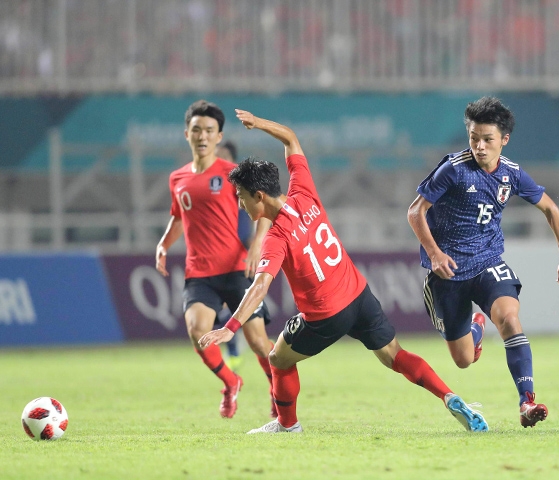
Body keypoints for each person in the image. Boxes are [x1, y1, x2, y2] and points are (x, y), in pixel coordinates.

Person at [199, 109, 489, 434]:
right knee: (395, 355)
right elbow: (291, 138)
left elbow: (261, 285)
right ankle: (448, 396)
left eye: (241, 197)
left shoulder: (276, 237)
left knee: (278, 359)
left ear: (259, 196)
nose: (240, 204)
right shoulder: (303, 192)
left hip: (325, 315)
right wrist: (259, 123)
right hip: (359, 295)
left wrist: (231, 326)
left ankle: (288, 424)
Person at [406, 96, 559, 428]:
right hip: (448, 273)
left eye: (488, 140)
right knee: (464, 360)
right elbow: (415, 211)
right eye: (474, 138)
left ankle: (527, 403)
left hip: (486, 262)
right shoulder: (453, 170)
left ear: (504, 140)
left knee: (510, 320)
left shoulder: (511, 174)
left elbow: (551, 209)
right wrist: (436, 254)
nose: (480, 147)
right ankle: (475, 330)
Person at [156, 100, 276, 419]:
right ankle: (231, 381)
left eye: (209, 130)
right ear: (187, 134)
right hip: (200, 274)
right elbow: (178, 217)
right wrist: (164, 244)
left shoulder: (232, 174)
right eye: (197, 129)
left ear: (219, 136)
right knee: (198, 331)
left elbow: (267, 207)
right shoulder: (177, 178)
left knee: (259, 342)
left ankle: (276, 389)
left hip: (236, 269)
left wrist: (255, 246)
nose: (203, 135)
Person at [214, 140, 253, 372]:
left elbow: (256, 215)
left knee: (238, 303)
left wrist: (255, 244)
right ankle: (234, 347)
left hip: (240, 252)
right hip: (217, 254)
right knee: (221, 307)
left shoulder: (241, 185)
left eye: (223, 156)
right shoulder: (213, 185)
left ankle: (237, 344)